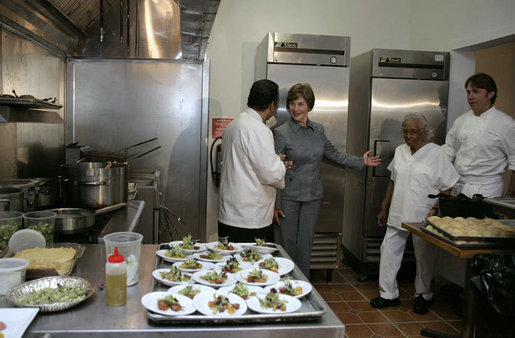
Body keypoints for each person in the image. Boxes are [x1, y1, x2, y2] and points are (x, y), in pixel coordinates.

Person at [273, 83, 380, 278]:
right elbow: (273, 170)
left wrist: (360, 161)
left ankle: (303, 287)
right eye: (292, 104)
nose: (295, 109)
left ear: (309, 106)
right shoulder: (281, 132)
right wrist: (276, 204)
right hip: (288, 197)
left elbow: (334, 155)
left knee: (305, 245)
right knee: (287, 246)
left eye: (300, 104)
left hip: (312, 196)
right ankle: (284, 287)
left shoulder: (318, 130)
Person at [370, 114, 459, 314]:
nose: (408, 136)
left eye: (413, 131)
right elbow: (393, 180)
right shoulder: (400, 151)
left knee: (424, 256)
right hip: (398, 211)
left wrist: (435, 209)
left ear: (424, 132)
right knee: (389, 251)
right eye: (405, 131)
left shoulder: (436, 154)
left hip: (423, 215)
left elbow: (449, 186)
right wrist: (384, 207)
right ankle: (388, 295)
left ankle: (423, 295)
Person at [218, 79, 291, 243]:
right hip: (248, 218)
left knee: (230, 263)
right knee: (247, 265)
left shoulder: (233, 125)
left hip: (229, 214)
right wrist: (279, 164)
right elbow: (271, 174)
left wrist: (273, 161)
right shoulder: (260, 130)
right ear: (272, 105)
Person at [442, 73, 515, 198]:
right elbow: (448, 151)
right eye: (468, 92)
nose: (470, 97)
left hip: (487, 190)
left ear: (491, 94)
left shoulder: (505, 124)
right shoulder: (461, 120)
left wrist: (510, 196)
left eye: (476, 92)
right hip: (459, 187)